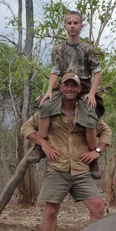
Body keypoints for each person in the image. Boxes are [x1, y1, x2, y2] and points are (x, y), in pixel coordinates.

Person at [21, 72, 112, 231]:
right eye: (66, 85)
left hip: (80, 168)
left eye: (74, 85)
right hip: (57, 167)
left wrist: (97, 151)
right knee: (51, 209)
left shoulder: (86, 110)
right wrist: (44, 144)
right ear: (61, 87)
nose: (70, 88)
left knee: (98, 208)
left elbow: (106, 131)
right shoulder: (49, 108)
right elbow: (27, 128)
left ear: (79, 89)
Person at [27, 11, 104, 179]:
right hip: (65, 86)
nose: (72, 26)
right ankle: (40, 146)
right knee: (45, 105)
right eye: (69, 23)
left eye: (76, 23)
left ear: (81, 26)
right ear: (64, 26)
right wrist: (49, 90)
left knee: (90, 116)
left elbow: (97, 72)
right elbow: (55, 71)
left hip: (82, 89)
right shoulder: (58, 49)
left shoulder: (87, 49)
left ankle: (93, 158)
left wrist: (92, 93)